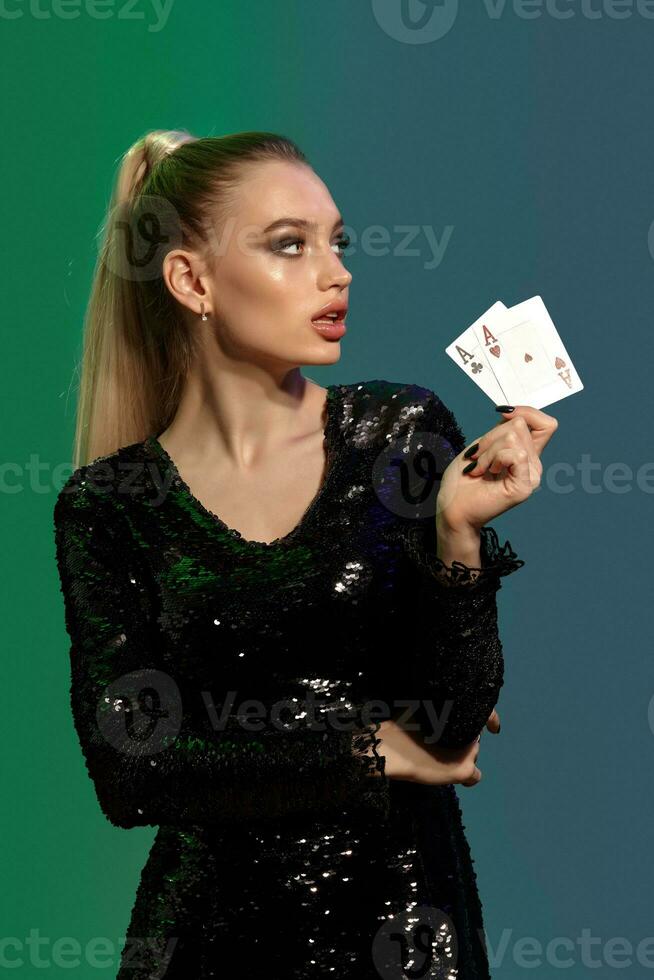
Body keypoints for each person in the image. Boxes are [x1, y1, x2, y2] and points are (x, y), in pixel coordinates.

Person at [53, 129, 558, 979]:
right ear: (190, 280)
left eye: (337, 243)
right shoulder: (110, 506)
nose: (338, 273)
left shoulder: (400, 433)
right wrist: (367, 746)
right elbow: (131, 771)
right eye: (290, 245)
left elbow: (451, 728)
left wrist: (458, 535)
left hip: (404, 930)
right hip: (202, 944)